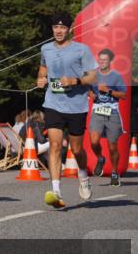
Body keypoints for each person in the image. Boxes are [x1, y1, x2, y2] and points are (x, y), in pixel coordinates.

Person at [37, 12, 97, 208]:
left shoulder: (81, 50)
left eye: (62, 27)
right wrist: (41, 79)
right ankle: (56, 192)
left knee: (77, 149)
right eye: (56, 27)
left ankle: (83, 175)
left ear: (70, 29)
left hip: (76, 105)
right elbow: (43, 69)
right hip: (53, 103)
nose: (59, 31)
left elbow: (92, 77)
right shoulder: (45, 48)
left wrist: (76, 81)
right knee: (54, 145)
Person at [88, 48, 127, 186]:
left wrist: (108, 91)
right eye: (100, 59)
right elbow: (87, 88)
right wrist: (90, 94)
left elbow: (123, 95)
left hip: (112, 113)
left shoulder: (116, 76)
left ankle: (115, 172)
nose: (102, 62)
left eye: (105, 59)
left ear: (110, 61)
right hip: (97, 111)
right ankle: (100, 158)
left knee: (112, 147)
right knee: (93, 141)